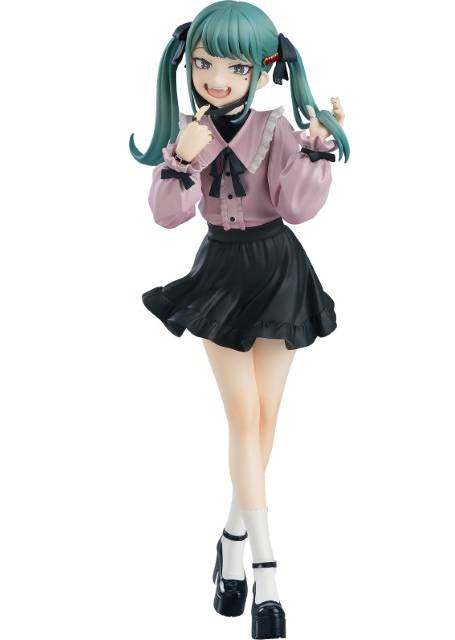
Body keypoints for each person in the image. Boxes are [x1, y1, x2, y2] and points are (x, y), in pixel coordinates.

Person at [130, 2, 349, 637]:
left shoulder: (275, 129)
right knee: (242, 414)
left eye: (235, 66)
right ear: (186, 65)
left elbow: (296, 208)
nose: (217, 79)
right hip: (222, 272)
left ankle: (230, 540)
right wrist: (180, 161)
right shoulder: (187, 132)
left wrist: (317, 151)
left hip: (278, 267)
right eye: (203, 64)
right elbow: (167, 216)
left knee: (265, 417)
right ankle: (266, 572)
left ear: (262, 68)